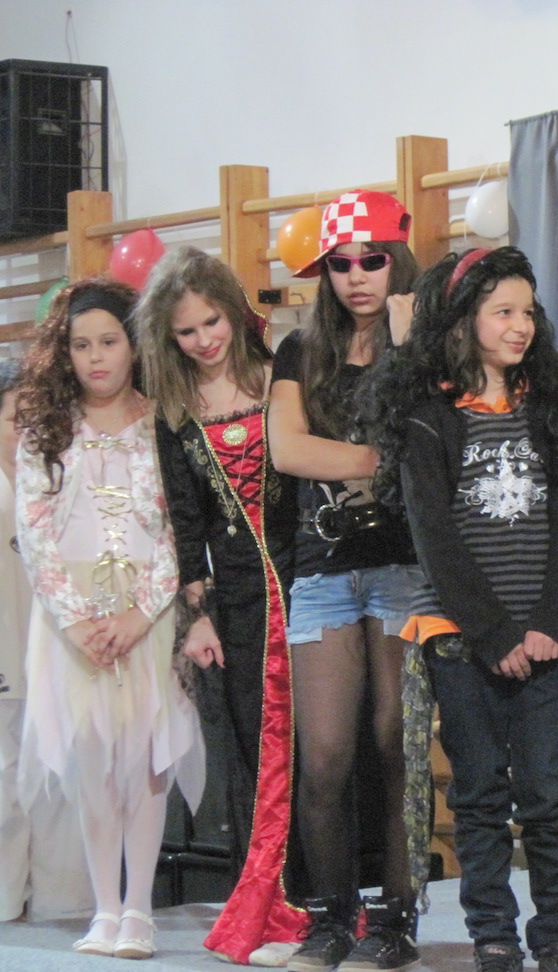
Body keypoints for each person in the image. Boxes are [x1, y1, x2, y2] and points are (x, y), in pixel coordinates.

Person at [360, 247, 558, 972]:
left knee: (550, 797)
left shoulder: (546, 406)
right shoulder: (428, 415)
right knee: (481, 793)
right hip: (462, 639)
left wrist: (550, 622)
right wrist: (492, 633)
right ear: (462, 322)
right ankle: (493, 931)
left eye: (528, 312)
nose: (521, 325)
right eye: (503, 312)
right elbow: (435, 538)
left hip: (546, 637)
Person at [12, 278, 205, 958]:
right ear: (63, 352)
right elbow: (33, 531)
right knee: (93, 755)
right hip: (72, 616)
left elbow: (182, 527)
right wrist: (75, 620)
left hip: (146, 610)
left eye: (109, 342)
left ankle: (140, 909)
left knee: (145, 754)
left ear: (135, 346)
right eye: (81, 345)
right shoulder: (45, 430)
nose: (96, 358)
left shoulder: (166, 423)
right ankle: (104, 908)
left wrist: (140, 612)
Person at [135, 246, 306, 966]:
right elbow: (186, 520)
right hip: (235, 600)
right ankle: (269, 905)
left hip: (307, 580)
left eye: (212, 322)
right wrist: (195, 614)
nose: (204, 339)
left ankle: (325, 901)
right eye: (187, 331)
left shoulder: (283, 380)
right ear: (168, 338)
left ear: (235, 313)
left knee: (320, 749)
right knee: (253, 748)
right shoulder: (174, 412)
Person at [268, 191, 423, 972]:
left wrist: (409, 346)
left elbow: (432, 438)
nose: (357, 275)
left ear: (398, 261)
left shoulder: (423, 344)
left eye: (373, 259)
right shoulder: (299, 351)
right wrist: (382, 462)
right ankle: (331, 917)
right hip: (324, 570)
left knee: (399, 747)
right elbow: (289, 450)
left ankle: (395, 918)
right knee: (325, 755)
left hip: (405, 567)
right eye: (341, 263)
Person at [0, 356, 95, 924]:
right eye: (16, 419)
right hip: (3, 653)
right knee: (3, 787)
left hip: (59, 654)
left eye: (37, 419)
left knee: (64, 779)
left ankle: (67, 905)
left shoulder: (62, 476)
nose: (27, 432)